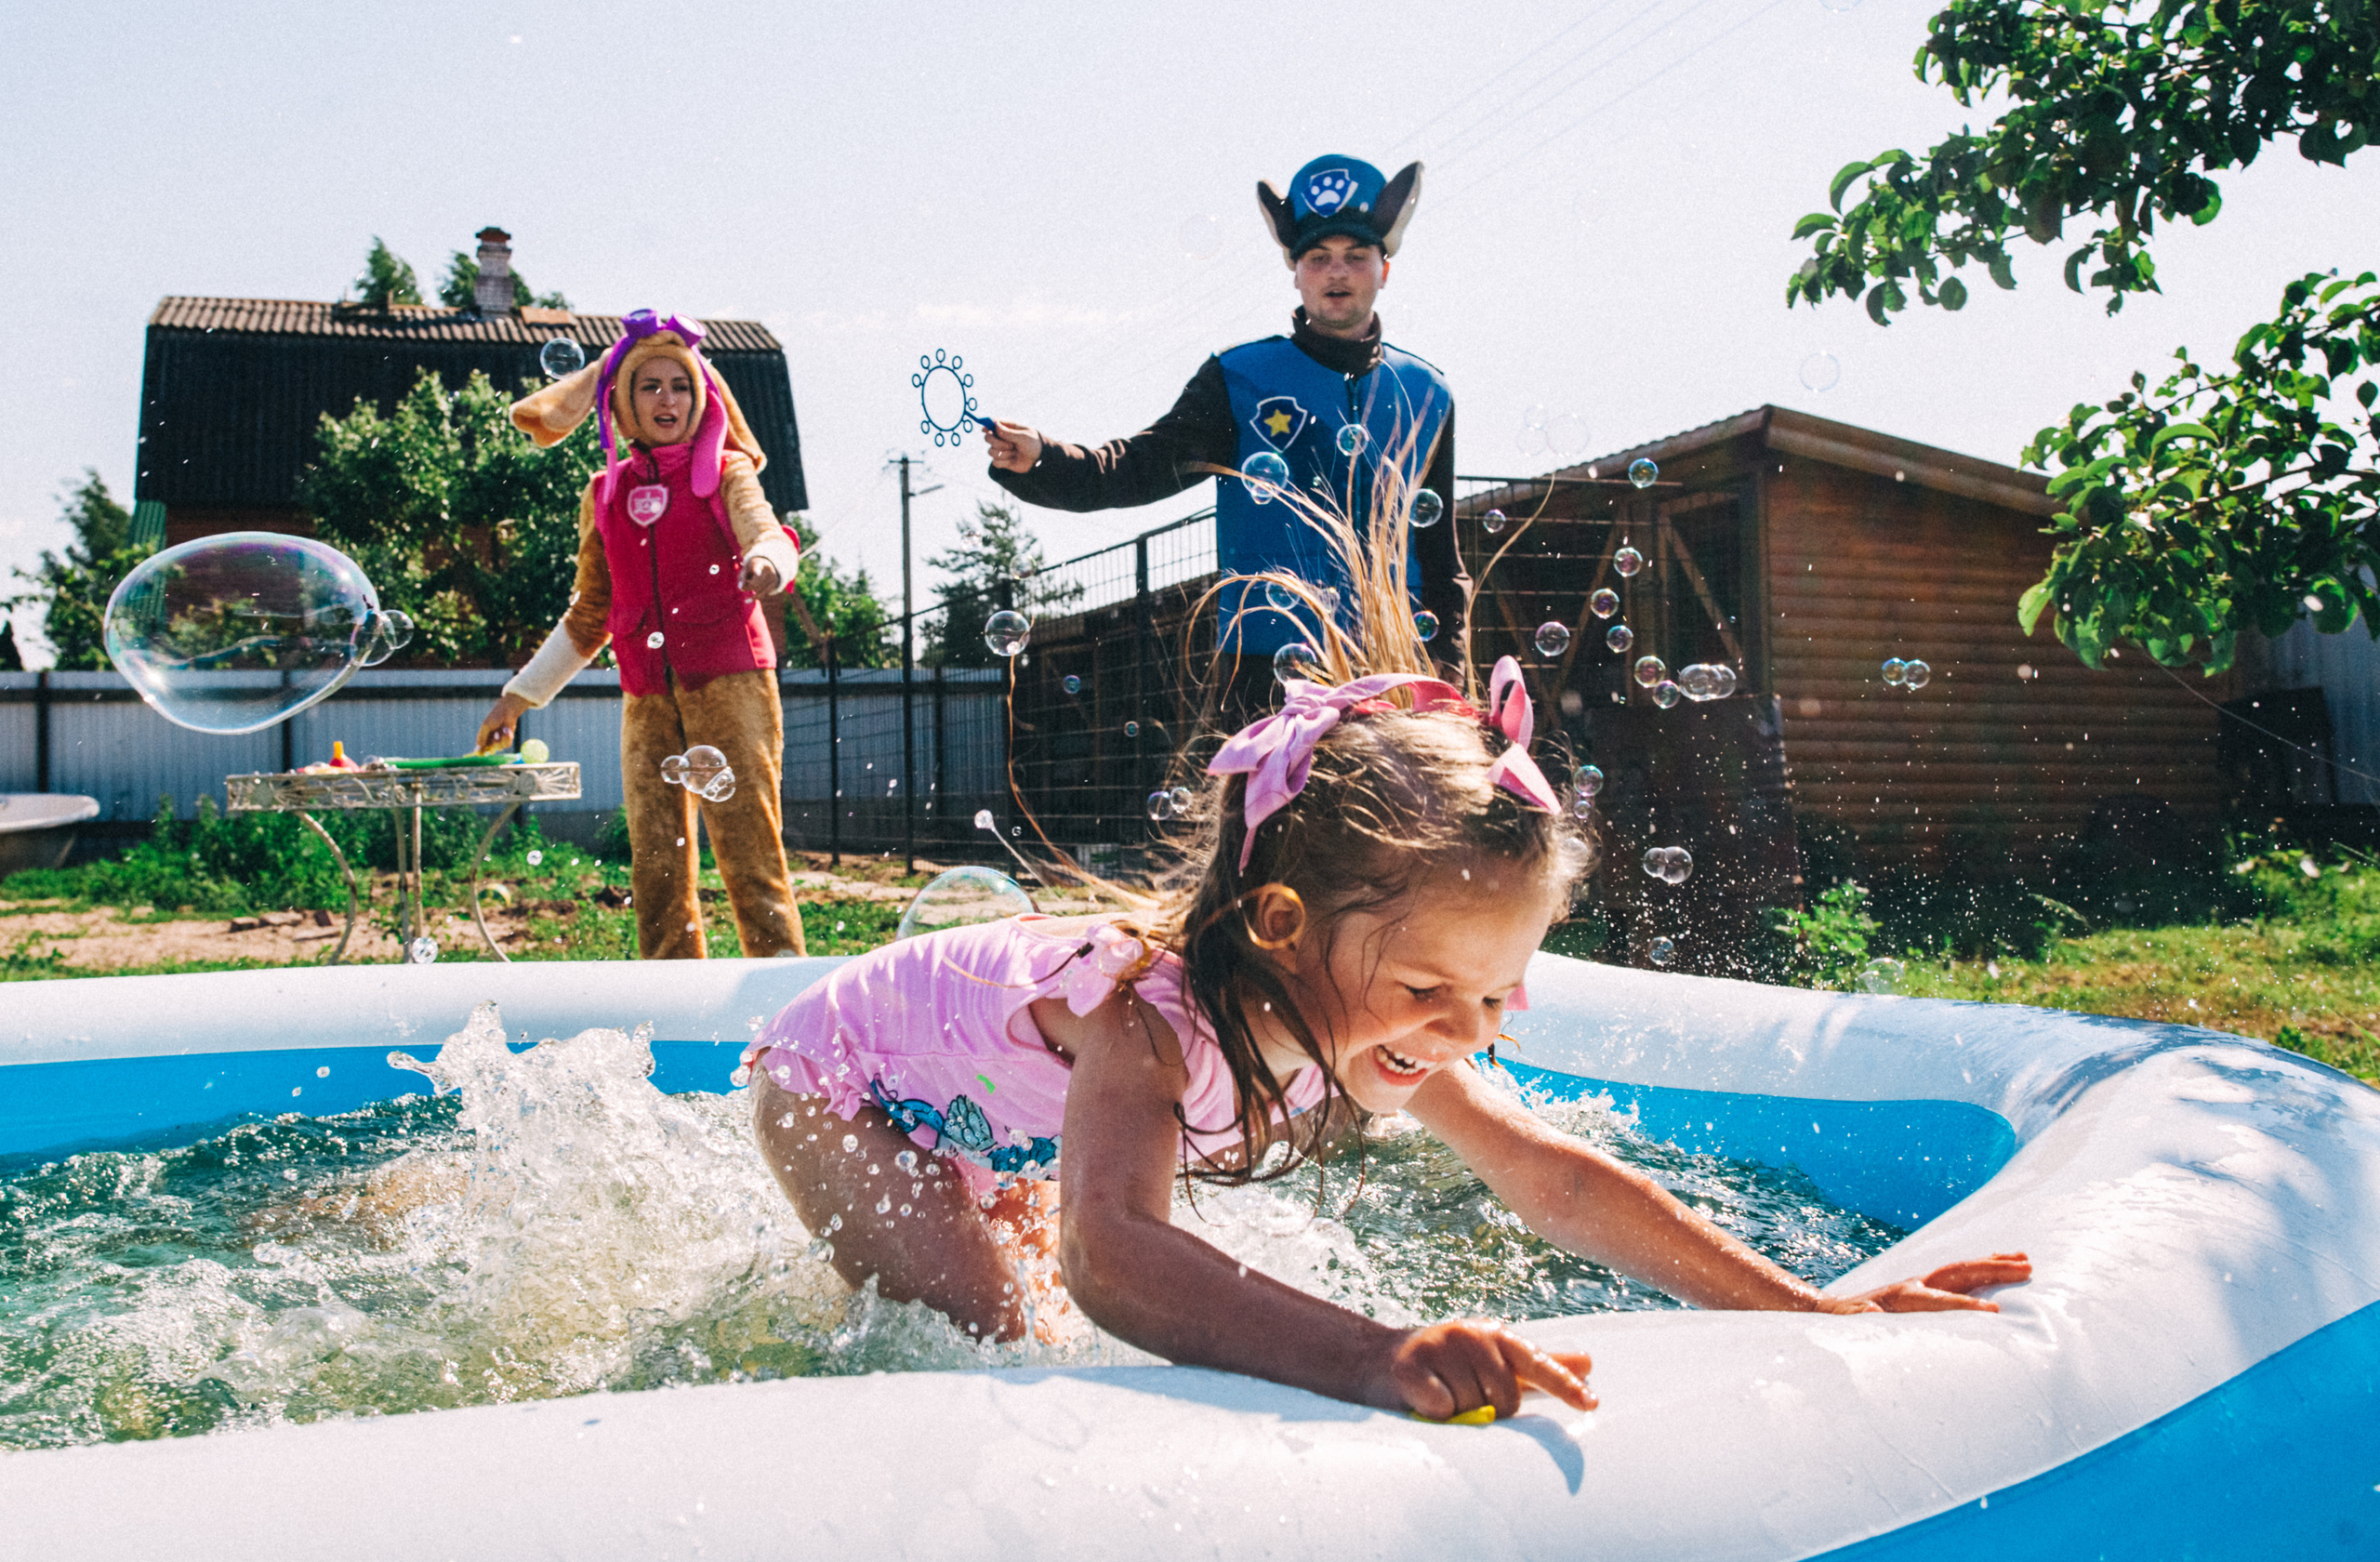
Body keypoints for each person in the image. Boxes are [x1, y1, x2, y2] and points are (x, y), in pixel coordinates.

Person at [737, 482, 2030, 1420]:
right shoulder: (1144, 1018)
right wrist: (1367, 1350)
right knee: (1004, 1341)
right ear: (1285, 925)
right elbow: (1114, 1253)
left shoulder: (1374, 1022)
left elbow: (1550, 1176)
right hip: (840, 1080)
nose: (1467, 1027)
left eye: (1495, 989)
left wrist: (1808, 1311)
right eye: (1433, 987)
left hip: (989, 1102)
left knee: (1037, 1313)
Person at [984, 153, 1471, 676]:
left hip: (1399, 662)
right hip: (1264, 668)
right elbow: (1140, 465)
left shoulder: (1428, 392)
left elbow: (1442, 557)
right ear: (1295, 274)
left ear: (1385, 270)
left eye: (1355, 255)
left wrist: (1452, 673)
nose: (1336, 270)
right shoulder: (1239, 377)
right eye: (1317, 256)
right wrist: (1044, 459)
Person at [478, 311, 807, 960]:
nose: (667, 398)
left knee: (751, 854)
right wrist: (518, 697)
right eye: (650, 385)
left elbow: (765, 529)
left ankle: (787, 1001)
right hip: (647, 698)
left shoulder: (728, 471)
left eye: (680, 385)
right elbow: (589, 615)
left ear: (702, 394)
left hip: (732, 683)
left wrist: (770, 561)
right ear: (623, 401)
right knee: (656, 865)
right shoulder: (605, 492)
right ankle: (674, 1004)